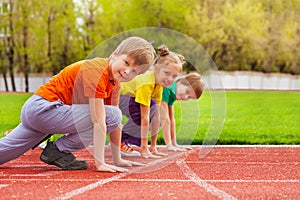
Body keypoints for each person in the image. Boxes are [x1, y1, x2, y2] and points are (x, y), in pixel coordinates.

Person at [0, 36, 156, 172]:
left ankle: (56, 150)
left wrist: (118, 160)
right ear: (115, 55)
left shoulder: (115, 85)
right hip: (44, 108)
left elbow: (115, 126)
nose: (128, 72)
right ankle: (58, 149)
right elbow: (99, 121)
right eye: (126, 62)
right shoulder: (96, 70)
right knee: (111, 115)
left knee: (4, 152)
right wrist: (100, 163)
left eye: (135, 72)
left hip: (41, 114)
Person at [119, 45, 185, 158]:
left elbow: (156, 117)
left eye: (174, 76)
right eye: (167, 73)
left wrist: (153, 147)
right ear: (157, 68)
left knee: (154, 109)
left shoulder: (159, 84)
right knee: (144, 113)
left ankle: (126, 140)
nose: (170, 79)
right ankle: (120, 140)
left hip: (128, 99)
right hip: (116, 97)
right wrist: (144, 149)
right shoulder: (147, 83)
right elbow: (144, 118)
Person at [160, 72, 205, 151]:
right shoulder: (166, 88)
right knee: (159, 120)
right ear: (181, 81)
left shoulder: (172, 93)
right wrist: (169, 145)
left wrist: (174, 144)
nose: (185, 97)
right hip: (136, 107)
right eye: (187, 92)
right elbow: (165, 118)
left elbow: (171, 119)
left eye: (190, 97)